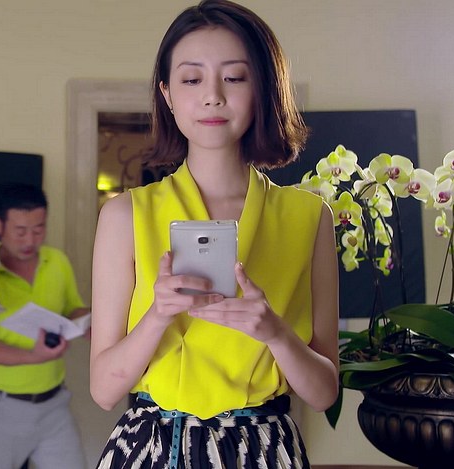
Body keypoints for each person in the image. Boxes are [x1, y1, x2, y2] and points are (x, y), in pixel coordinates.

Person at [89, 1, 339, 468]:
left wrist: (275, 333)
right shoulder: (125, 215)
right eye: (191, 79)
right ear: (166, 94)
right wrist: (158, 315)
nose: (212, 96)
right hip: (153, 447)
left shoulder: (309, 217)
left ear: (263, 88)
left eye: (235, 77)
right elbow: (103, 390)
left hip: (264, 450)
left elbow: (325, 394)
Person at [0, 182, 89, 469]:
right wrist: (34, 356)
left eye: (39, 229)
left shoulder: (57, 261)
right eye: (20, 231)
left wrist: (90, 323)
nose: (30, 239)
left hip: (54, 405)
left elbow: (73, 308)